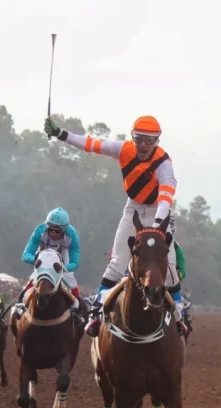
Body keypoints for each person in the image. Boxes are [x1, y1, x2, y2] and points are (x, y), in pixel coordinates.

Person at [44, 115, 179, 335]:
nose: (143, 145)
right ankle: (97, 313)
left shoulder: (164, 164)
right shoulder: (123, 149)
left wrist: (155, 227)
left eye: (149, 140)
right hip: (134, 207)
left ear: (157, 142)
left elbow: (165, 199)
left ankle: (179, 315)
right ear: (133, 138)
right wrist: (61, 134)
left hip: (158, 211)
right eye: (139, 139)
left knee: (170, 268)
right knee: (117, 262)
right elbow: (91, 144)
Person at [21, 207, 84, 325]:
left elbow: (75, 263)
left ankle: (78, 309)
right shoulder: (39, 230)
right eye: (51, 229)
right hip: (43, 251)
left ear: (65, 230)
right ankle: (20, 304)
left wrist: (65, 268)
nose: (53, 233)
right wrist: (34, 260)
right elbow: (25, 255)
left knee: (69, 278)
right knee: (36, 276)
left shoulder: (72, 235)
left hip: (63, 252)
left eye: (57, 231)